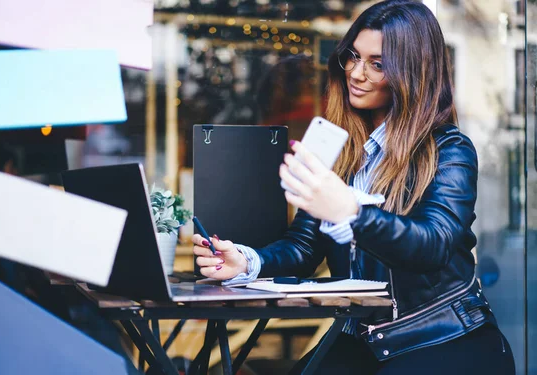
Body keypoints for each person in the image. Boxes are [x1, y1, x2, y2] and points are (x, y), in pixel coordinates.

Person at [192, 1, 515, 374]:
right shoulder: (340, 147)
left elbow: (433, 245)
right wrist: (248, 261)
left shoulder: (449, 150)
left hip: (441, 337)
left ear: (413, 74)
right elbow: (304, 245)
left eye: (377, 64)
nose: (356, 74)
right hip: (364, 338)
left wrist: (352, 212)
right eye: (353, 57)